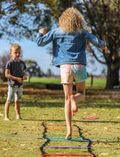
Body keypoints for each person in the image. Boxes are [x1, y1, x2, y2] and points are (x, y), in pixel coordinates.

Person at [36, 7, 108, 139]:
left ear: (62, 20)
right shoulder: (82, 32)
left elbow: (40, 42)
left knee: (66, 99)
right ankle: (75, 98)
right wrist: (104, 46)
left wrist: (41, 32)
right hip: (79, 66)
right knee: (82, 94)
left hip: (65, 68)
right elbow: (95, 40)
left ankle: (69, 130)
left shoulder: (56, 32)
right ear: (78, 20)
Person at [4, 43, 27, 120]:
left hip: (20, 85)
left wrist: (24, 76)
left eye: (19, 52)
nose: (17, 54)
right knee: (9, 101)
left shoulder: (22, 63)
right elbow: (6, 75)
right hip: (12, 85)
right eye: (15, 52)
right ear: (11, 53)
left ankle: (18, 116)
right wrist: (16, 78)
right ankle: (6, 117)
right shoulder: (9, 63)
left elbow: (23, 72)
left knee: (18, 101)